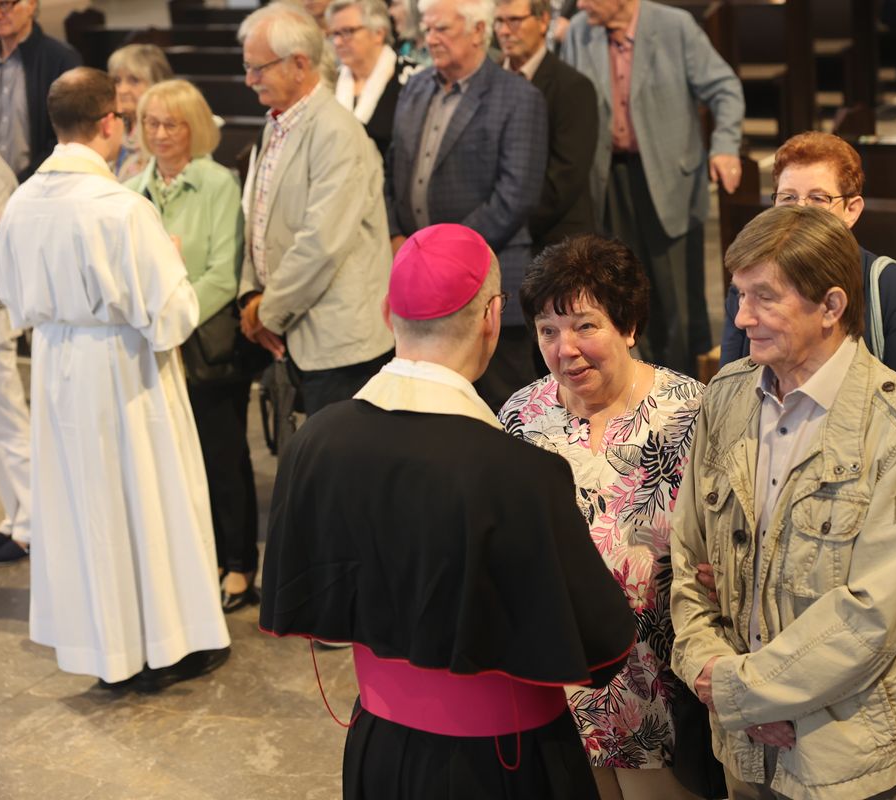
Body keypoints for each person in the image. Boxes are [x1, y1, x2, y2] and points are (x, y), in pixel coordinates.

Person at [260, 223, 636, 799]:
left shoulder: (313, 443)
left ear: (387, 314)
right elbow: (604, 645)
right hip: (501, 763)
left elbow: (305, 593)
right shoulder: (519, 471)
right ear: (492, 318)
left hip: (378, 746)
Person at [671, 205, 896, 800]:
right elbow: (689, 557)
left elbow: (873, 617)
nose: (741, 317)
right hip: (741, 749)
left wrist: (741, 692)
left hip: (842, 757)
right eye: (739, 294)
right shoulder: (726, 397)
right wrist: (708, 669)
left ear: (831, 306)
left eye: (764, 297)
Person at [0, 67, 229, 688]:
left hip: (56, 365)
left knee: (84, 509)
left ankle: (107, 651)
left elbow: (8, 294)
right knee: (145, 501)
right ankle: (165, 647)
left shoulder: (20, 204)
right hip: (125, 373)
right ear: (110, 123)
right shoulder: (122, 208)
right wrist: (173, 262)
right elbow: (172, 316)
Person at [499, 235, 704, 798]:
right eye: (548, 330)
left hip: (662, 686)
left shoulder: (690, 412)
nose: (566, 349)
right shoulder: (521, 417)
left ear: (629, 326)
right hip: (559, 686)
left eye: (585, 326)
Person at [124, 79, 260, 614]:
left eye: (172, 124)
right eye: (151, 123)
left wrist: (171, 323)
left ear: (195, 127)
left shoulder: (218, 184)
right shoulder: (131, 190)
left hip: (203, 344)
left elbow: (223, 274)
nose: (160, 134)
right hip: (151, 346)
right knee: (171, 465)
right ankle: (196, 562)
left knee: (222, 459)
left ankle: (239, 564)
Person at [561, 0, 744, 376]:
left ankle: (683, 385)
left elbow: (725, 88)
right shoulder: (580, 31)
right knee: (619, 287)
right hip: (608, 177)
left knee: (675, 299)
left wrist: (725, 146)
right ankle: (632, 380)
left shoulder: (675, 26)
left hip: (668, 178)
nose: (579, 4)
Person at [385, 0, 547, 410]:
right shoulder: (415, 87)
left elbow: (515, 195)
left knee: (503, 410)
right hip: (419, 280)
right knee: (428, 410)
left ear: (478, 31)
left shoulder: (518, 96)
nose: (430, 39)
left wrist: (442, 256)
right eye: (427, 29)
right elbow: (392, 171)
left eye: (442, 28)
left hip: (488, 280)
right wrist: (397, 236)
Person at [237, 3, 393, 416]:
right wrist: (251, 295)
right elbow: (257, 219)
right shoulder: (276, 123)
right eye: (247, 67)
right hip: (294, 326)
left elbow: (321, 243)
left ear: (299, 64)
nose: (249, 79)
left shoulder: (336, 132)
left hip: (338, 343)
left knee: (341, 456)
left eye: (258, 68)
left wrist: (267, 312)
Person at [722, 132, 896, 405]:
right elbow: (731, 392)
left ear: (851, 210)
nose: (800, 211)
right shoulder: (749, 281)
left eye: (818, 199)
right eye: (788, 198)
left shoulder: (890, 286)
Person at [494, 0, 598, 255]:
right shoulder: (486, 81)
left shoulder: (573, 87)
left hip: (555, 243)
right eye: (499, 21)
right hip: (494, 236)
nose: (504, 31)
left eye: (514, 20)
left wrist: (506, 224)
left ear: (543, 21)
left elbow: (565, 176)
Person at [0, 0, 81, 181]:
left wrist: (25, 182)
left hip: (40, 183)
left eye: (4, 5)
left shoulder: (61, 59)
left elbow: (71, 134)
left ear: (31, 5)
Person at [0, 151, 30, 565]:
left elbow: (5, 233)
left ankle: (32, 525)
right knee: (0, 429)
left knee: (10, 426)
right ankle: (15, 519)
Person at [328, 0, 411, 156]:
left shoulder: (411, 79)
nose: (337, 42)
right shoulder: (330, 81)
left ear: (378, 33)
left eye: (347, 32)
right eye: (335, 34)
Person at [107, 43, 173, 181]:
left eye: (134, 80)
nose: (122, 90)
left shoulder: (166, 133)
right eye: (117, 81)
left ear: (157, 84)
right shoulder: (111, 125)